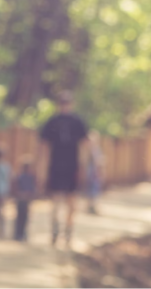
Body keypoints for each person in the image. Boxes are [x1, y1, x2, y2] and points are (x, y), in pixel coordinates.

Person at [38, 91, 89, 247]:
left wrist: (83, 167)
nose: (65, 106)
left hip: (72, 166)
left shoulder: (78, 122)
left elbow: (84, 146)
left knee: (71, 202)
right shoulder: (52, 122)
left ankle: (68, 230)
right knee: (55, 201)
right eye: (62, 103)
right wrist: (42, 170)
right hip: (55, 166)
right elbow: (44, 148)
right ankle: (55, 230)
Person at [12, 158, 37, 242]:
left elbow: (33, 188)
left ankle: (23, 234)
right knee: (20, 217)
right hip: (21, 199)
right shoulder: (20, 176)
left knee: (25, 217)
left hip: (26, 200)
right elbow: (15, 187)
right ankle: (18, 234)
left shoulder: (30, 177)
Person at [85, 130, 104, 215]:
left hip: (94, 173)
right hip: (90, 173)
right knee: (89, 190)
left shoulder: (96, 150)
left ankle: (92, 206)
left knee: (94, 190)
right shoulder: (88, 150)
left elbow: (99, 162)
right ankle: (89, 206)